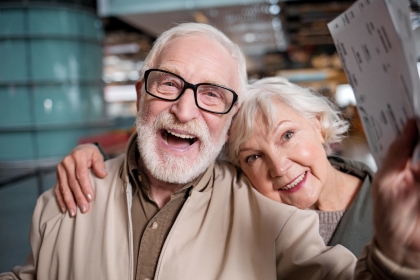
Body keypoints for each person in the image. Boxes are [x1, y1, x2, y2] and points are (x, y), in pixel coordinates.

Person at [2, 22, 420, 279]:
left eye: (211, 94)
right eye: (168, 83)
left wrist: (396, 258)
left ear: (228, 117)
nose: (185, 110)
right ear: (139, 95)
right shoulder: (61, 202)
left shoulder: (273, 219)